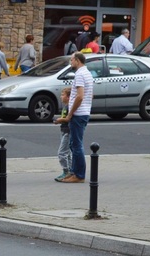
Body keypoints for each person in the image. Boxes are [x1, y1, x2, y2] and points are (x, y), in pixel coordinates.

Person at [54, 52, 93, 184]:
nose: (70, 62)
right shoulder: (87, 73)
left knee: (76, 145)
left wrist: (70, 114)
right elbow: (89, 95)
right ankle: (74, 172)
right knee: (74, 144)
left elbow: (80, 96)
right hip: (83, 112)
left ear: (77, 60)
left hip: (79, 114)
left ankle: (79, 175)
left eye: (71, 60)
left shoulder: (80, 74)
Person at [53, 87, 72, 182]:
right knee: (67, 153)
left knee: (62, 153)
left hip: (68, 132)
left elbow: (68, 119)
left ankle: (66, 171)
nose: (61, 97)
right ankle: (70, 171)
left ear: (69, 97)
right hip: (64, 131)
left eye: (63, 95)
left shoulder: (70, 107)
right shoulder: (66, 106)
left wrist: (60, 120)